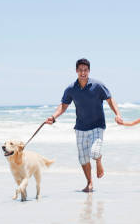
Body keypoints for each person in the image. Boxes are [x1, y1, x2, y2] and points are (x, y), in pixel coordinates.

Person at [45, 58, 123, 192]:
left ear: (89, 71)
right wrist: (53, 117)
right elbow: (63, 106)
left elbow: (110, 100)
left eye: (85, 70)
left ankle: (99, 161)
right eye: (80, 70)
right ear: (76, 71)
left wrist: (117, 114)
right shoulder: (71, 89)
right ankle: (89, 183)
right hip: (80, 127)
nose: (83, 73)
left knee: (95, 152)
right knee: (83, 158)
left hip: (97, 125)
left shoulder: (97, 85)